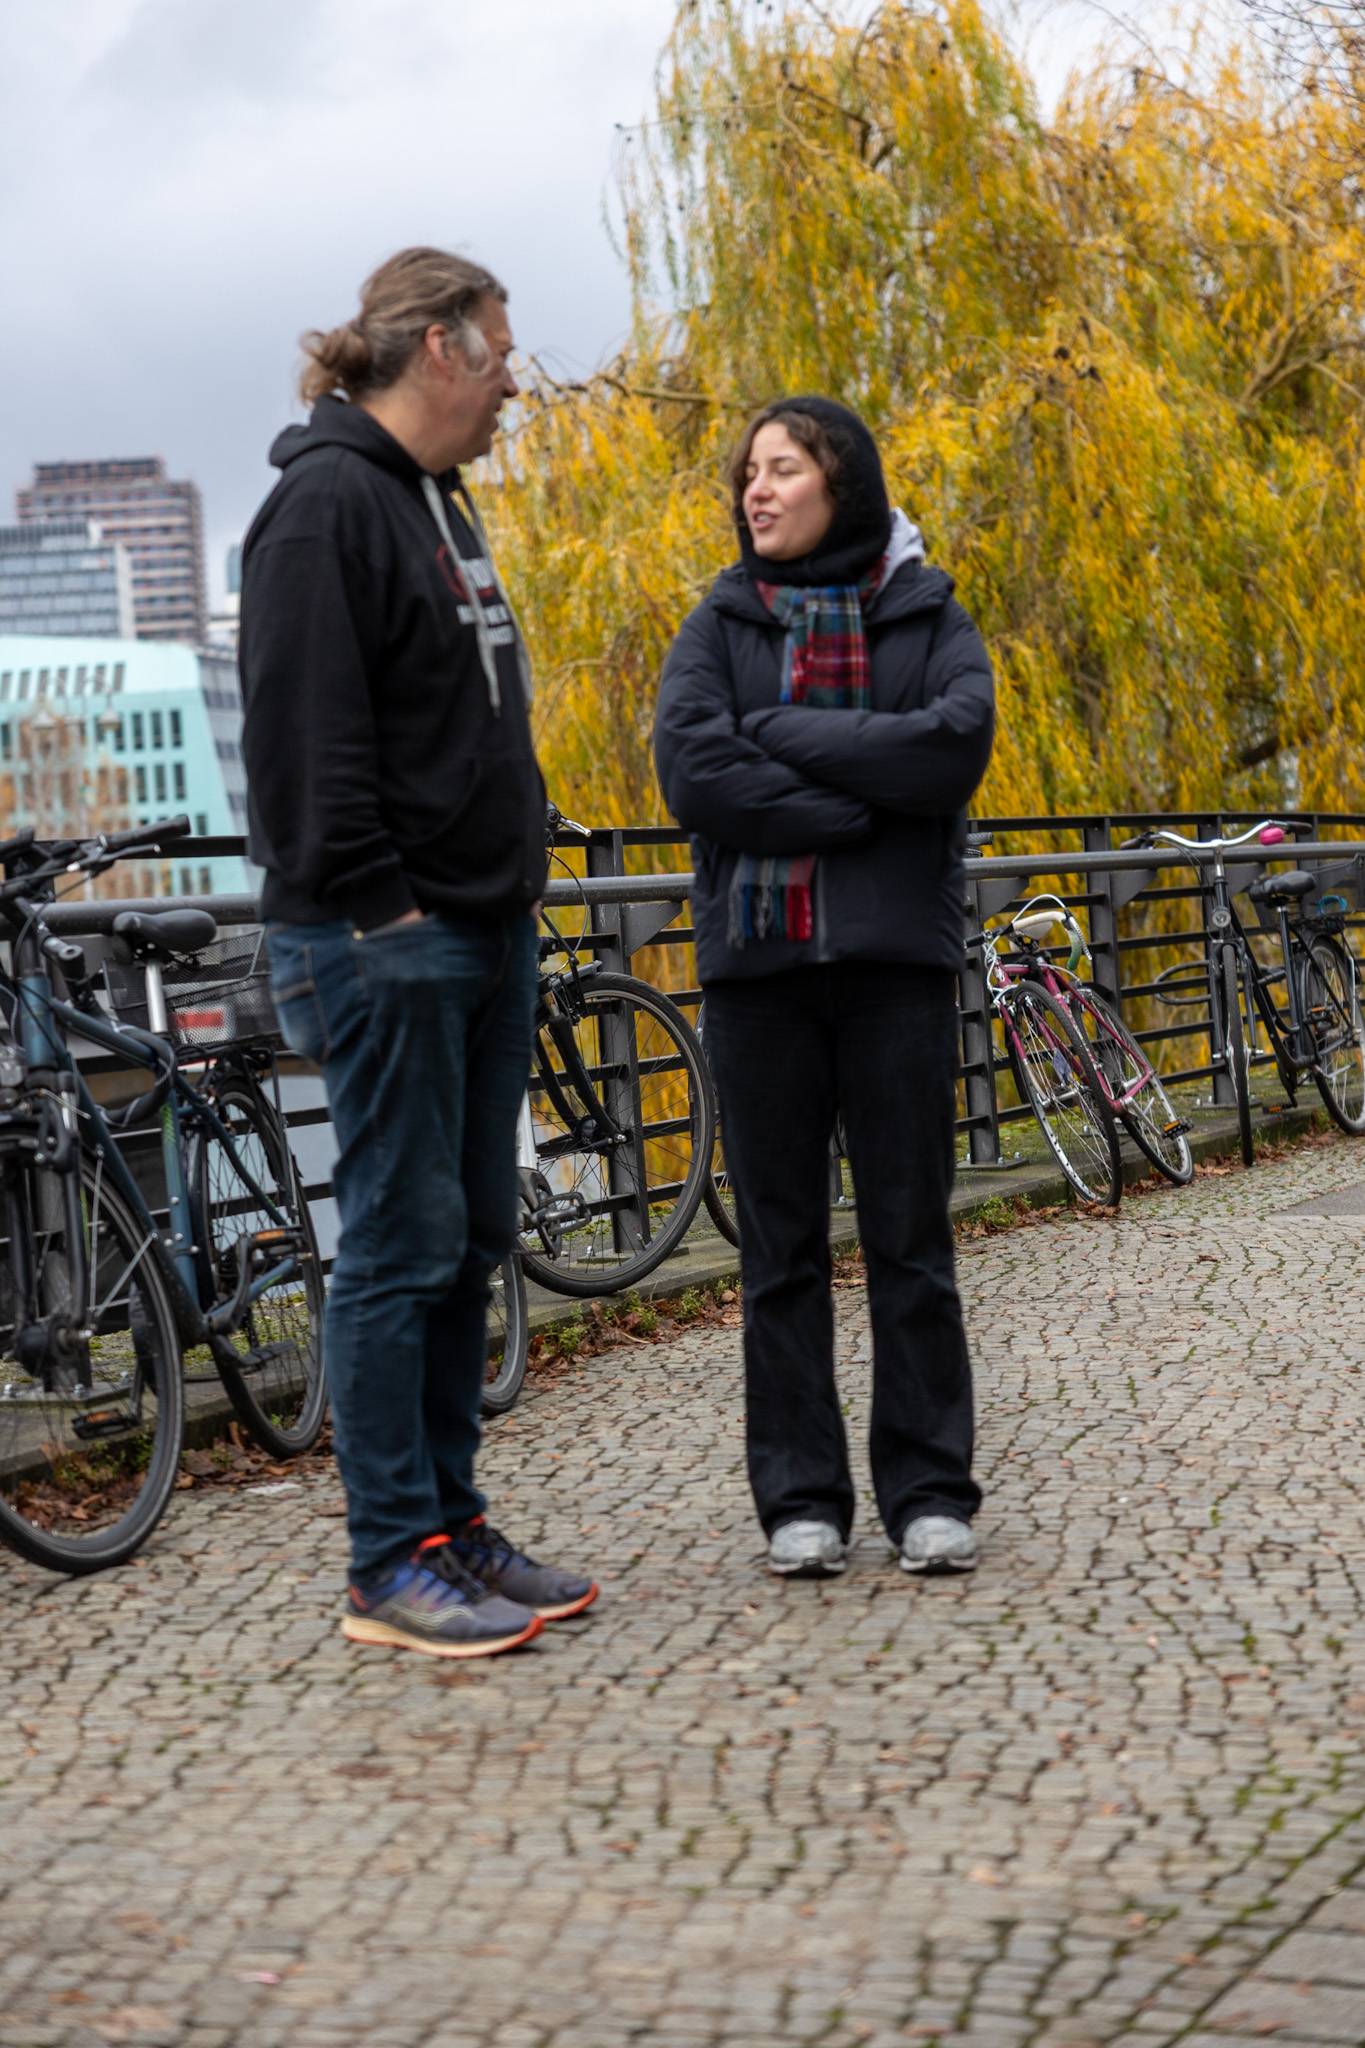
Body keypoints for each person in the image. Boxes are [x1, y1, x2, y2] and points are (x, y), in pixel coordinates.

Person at [240, 247, 598, 1657]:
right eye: (501, 350)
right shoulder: (324, 508)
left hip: (482, 927)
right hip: (383, 939)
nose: (515, 381)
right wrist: (386, 911)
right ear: (439, 346)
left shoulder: (437, 499)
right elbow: (303, 753)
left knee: (468, 1236)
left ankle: (451, 1522)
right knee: (397, 1245)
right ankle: (388, 1561)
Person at [654, 397, 994, 1579]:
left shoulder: (927, 610)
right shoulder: (719, 620)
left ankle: (930, 1491)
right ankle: (801, 1498)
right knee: (780, 1253)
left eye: (784, 468)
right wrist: (861, 808)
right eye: (749, 471)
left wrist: (779, 731)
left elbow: (951, 747)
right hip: (762, 980)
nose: (757, 489)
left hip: (896, 970)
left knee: (911, 1239)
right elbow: (696, 770)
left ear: (841, 483)